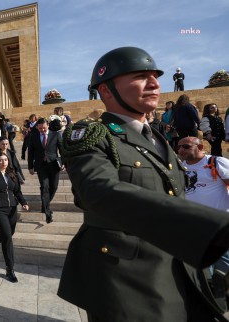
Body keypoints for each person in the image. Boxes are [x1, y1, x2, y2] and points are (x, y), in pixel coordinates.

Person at [58, 46, 229, 321]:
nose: (154, 84)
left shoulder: (160, 139)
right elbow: (98, 191)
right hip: (128, 280)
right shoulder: (90, 136)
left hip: (181, 270)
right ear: (106, 90)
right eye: (139, 76)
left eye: (155, 76)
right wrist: (207, 225)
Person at [179, 136, 229, 306]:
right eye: (179, 147)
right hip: (194, 226)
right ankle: (213, 299)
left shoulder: (216, 162)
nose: (181, 150)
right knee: (204, 266)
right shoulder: (180, 167)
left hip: (219, 224)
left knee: (224, 263)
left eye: (185, 146)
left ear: (200, 146)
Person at [0, 150, 28, 282]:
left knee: (9, 233)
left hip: (12, 208)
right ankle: (10, 269)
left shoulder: (12, 174)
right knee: (7, 236)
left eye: (6, 160)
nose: (4, 162)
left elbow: (17, 191)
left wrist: (23, 202)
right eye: (1, 160)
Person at [27, 117, 62, 224]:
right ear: (37, 127)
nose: (42, 130)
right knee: (45, 186)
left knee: (54, 187)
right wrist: (30, 167)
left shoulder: (56, 135)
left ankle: (44, 204)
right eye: (40, 128)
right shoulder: (33, 136)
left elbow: (62, 149)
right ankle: (47, 212)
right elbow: (31, 153)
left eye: (44, 128)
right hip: (41, 166)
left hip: (54, 164)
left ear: (47, 125)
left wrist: (64, 162)